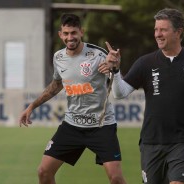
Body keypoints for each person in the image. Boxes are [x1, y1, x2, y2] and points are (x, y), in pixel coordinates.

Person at [99, 8, 184, 184]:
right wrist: (115, 70)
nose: (157, 34)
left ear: (178, 32)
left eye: (163, 30)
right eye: (156, 29)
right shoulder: (145, 62)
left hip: (183, 141)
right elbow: (120, 93)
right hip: (151, 141)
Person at [19, 13, 126, 184]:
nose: (70, 37)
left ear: (81, 32)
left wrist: (115, 68)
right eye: (66, 33)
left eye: (74, 33)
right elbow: (55, 86)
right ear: (60, 34)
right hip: (72, 126)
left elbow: (118, 88)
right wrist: (32, 106)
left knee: (116, 178)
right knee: (43, 172)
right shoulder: (58, 57)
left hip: (101, 126)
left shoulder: (98, 55)